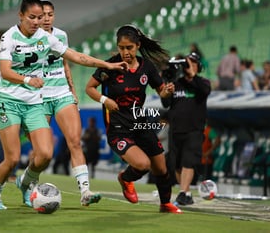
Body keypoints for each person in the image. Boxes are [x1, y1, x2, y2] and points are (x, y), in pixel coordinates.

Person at [0, 0, 127, 210]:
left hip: (34, 102)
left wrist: (107, 65)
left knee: (45, 155)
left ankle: (26, 184)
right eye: (32, 17)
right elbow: (5, 72)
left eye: (40, 17)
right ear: (21, 15)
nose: (37, 21)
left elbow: (76, 56)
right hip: (8, 99)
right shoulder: (9, 37)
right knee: (12, 158)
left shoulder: (48, 37)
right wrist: (27, 79)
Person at [85, 25, 182, 213]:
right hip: (118, 128)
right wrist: (105, 100)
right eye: (121, 48)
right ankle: (126, 179)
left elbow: (162, 93)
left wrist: (166, 92)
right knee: (142, 164)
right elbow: (89, 88)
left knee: (161, 168)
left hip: (140, 124)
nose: (125, 52)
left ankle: (165, 204)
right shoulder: (110, 66)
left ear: (137, 46)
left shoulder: (147, 67)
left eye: (129, 47)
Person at [34, 0, 101, 204]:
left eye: (50, 14)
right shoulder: (29, 37)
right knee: (42, 151)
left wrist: (72, 89)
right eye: (42, 14)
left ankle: (85, 192)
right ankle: (30, 184)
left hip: (62, 93)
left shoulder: (61, 35)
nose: (46, 18)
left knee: (75, 141)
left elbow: (65, 62)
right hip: (39, 97)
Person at [162, 52, 211, 205]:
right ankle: (186, 194)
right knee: (176, 164)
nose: (189, 66)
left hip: (194, 130)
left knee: (188, 162)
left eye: (193, 63)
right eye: (187, 63)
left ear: (199, 66)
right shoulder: (176, 83)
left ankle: (183, 192)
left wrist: (193, 75)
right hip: (175, 130)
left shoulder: (202, 83)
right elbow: (166, 104)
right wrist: (166, 93)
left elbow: (205, 91)